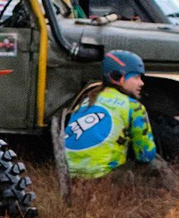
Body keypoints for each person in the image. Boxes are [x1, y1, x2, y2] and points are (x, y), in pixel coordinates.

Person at [60, 49, 162, 182]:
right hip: (102, 178)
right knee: (157, 165)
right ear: (117, 78)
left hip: (69, 176)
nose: (141, 83)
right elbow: (146, 155)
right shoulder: (133, 106)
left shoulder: (87, 99)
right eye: (136, 77)